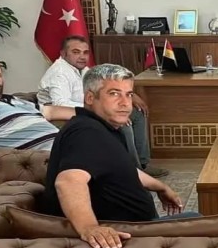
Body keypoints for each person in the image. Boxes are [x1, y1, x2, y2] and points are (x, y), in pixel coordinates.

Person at [40, 64, 201, 248]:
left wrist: (161, 187)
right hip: (131, 236)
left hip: (138, 228)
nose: (125, 103)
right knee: (200, 224)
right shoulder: (85, 132)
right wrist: (89, 227)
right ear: (90, 98)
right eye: (114, 94)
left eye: (129, 94)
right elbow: (68, 181)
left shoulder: (102, 128)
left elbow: (121, 168)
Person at [37, 36, 168, 177]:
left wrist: (130, 94)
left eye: (85, 52)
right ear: (63, 54)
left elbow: (102, 85)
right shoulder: (59, 72)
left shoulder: (82, 69)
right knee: (122, 123)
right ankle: (133, 171)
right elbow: (60, 104)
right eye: (76, 52)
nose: (82, 57)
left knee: (137, 113)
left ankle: (142, 163)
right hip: (62, 117)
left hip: (87, 110)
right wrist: (101, 109)